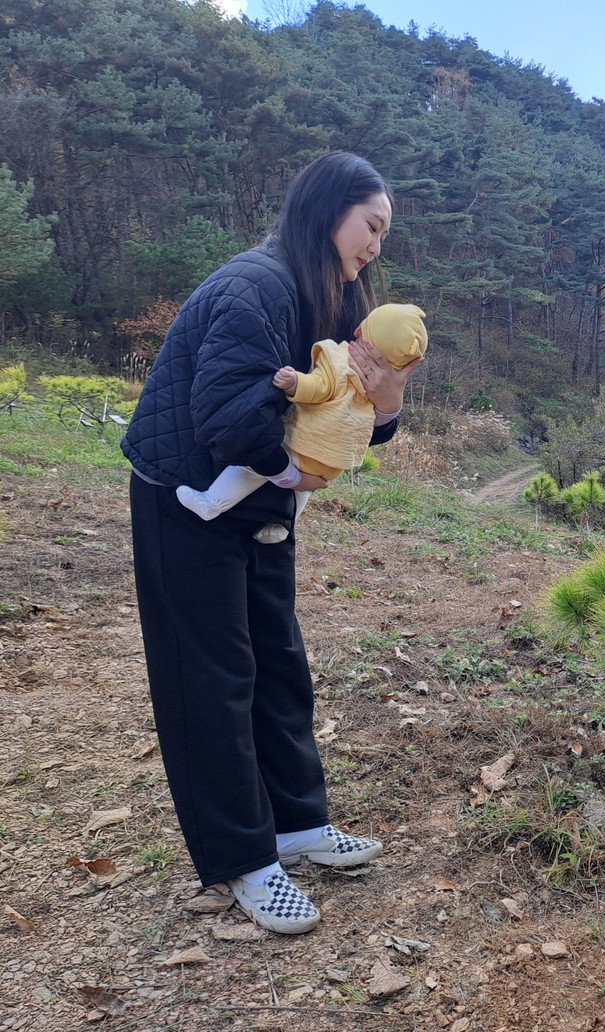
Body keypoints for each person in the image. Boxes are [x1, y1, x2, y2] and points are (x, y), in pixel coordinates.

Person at [122, 152, 422, 934]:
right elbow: (228, 414)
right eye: (370, 226)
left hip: (262, 495)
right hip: (185, 494)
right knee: (211, 677)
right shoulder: (254, 285)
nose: (376, 247)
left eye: (383, 235)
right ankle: (244, 860)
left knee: (277, 663)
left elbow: (353, 418)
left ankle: (296, 824)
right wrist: (293, 474)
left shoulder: (338, 298)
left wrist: (388, 394)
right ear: (328, 210)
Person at [176, 302, 427, 525]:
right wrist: (389, 407)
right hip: (333, 463)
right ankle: (282, 526)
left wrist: (295, 382)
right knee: (302, 491)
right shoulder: (379, 383)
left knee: (249, 470)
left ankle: (211, 502)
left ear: (360, 329)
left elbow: (320, 386)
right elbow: (370, 423)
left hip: (304, 447)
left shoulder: (339, 361)